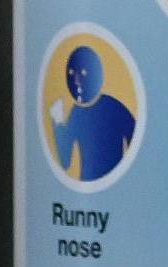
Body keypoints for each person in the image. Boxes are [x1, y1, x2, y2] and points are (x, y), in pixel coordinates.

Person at [51, 44, 137, 182]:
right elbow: (65, 161)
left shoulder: (113, 107)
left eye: (83, 73)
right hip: (91, 188)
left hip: (114, 187)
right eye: (72, 74)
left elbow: (136, 143)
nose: (77, 80)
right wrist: (58, 121)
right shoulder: (77, 111)